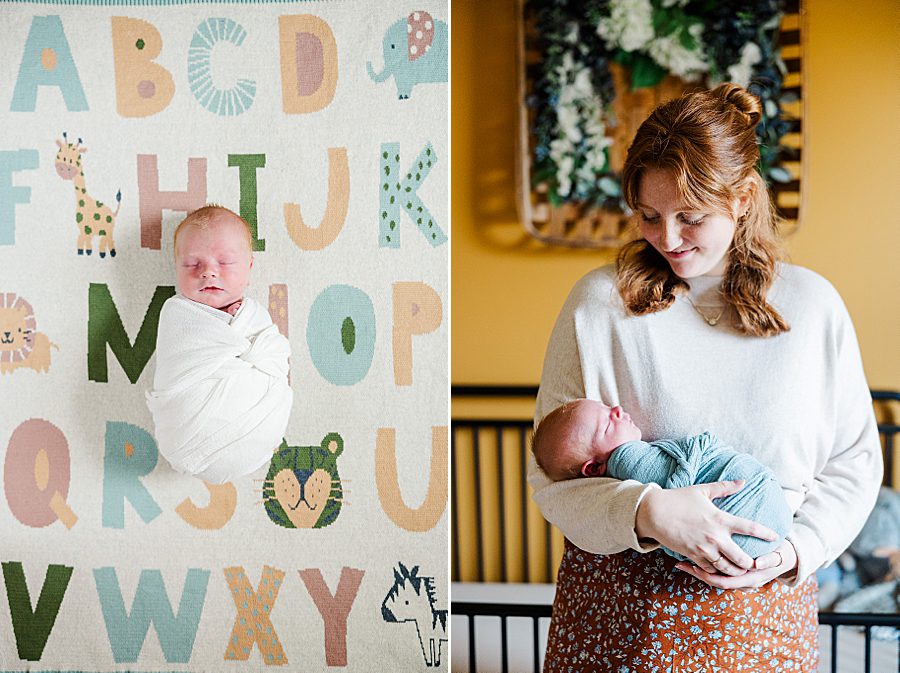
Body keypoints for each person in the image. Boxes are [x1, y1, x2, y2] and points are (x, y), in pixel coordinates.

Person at [530, 84, 882, 672]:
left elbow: (854, 462)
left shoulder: (814, 308)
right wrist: (647, 511)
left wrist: (797, 550)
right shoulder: (599, 306)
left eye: (690, 217)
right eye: (648, 215)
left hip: (765, 611)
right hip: (621, 614)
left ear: (742, 199)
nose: (666, 238)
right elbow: (552, 473)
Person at [531, 398, 792, 560]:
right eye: (608, 424)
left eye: (609, 408)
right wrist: (701, 447)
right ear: (592, 469)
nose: (619, 410)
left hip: (748, 543)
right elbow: (676, 491)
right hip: (751, 510)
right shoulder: (628, 459)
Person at [146, 205, 293, 484]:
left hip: (260, 425)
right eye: (192, 264)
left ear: (249, 267)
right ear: (176, 267)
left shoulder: (255, 315)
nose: (208, 272)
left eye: (224, 262)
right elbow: (176, 361)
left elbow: (275, 356)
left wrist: (235, 331)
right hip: (187, 432)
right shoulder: (176, 314)